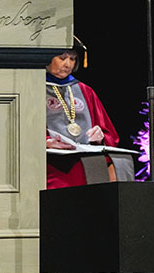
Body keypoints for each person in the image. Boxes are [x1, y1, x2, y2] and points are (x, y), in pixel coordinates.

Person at [45, 37, 119, 189]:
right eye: (62, 58)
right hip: (51, 166)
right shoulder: (32, 88)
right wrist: (45, 142)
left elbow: (110, 134)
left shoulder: (85, 91)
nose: (68, 64)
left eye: (72, 59)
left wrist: (100, 137)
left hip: (87, 166)